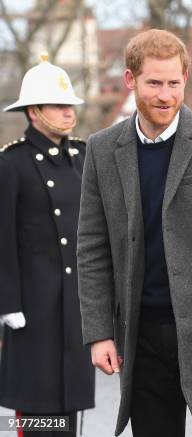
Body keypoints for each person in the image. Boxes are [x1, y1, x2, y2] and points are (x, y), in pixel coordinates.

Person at [76, 29, 192, 437]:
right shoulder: (102, 150)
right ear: (130, 80)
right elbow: (92, 246)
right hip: (141, 335)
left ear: (185, 80)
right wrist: (100, 331)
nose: (165, 95)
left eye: (174, 83)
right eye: (154, 83)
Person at [0, 53, 94, 436]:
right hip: (33, 312)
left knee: (69, 412)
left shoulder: (83, 156)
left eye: (69, 104)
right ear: (34, 112)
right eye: (58, 105)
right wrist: (8, 304)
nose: (68, 112)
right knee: (38, 417)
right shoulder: (11, 163)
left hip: (74, 308)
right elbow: (2, 236)